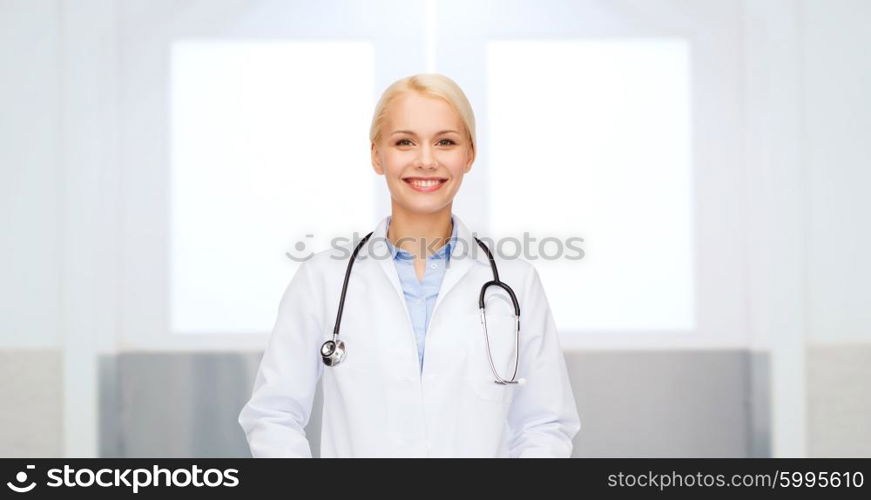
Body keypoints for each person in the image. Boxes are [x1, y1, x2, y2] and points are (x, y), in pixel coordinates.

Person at [238, 73, 580, 457]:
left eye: (445, 142)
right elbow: (273, 415)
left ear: (469, 154)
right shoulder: (323, 279)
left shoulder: (516, 282)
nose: (426, 160)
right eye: (404, 142)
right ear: (376, 155)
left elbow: (545, 424)